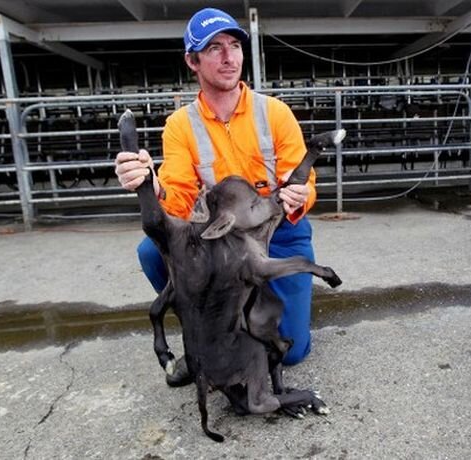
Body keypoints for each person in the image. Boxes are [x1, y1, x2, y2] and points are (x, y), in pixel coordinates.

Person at [114, 7, 318, 386]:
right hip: (222, 239)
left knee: (291, 351)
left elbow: (304, 180)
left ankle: (260, 307)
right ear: (192, 61)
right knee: (150, 251)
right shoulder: (180, 126)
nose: (229, 57)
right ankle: (209, 328)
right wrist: (150, 184)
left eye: (234, 46)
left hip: (278, 233)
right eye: (214, 48)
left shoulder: (274, 112)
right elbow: (175, 200)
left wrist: (299, 192)